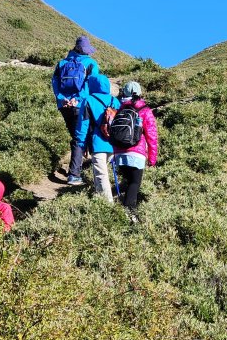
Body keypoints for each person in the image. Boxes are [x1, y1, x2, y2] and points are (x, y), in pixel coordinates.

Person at [51, 36, 100, 185]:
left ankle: (79, 169)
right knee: (84, 137)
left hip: (64, 106)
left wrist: (62, 98)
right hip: (81, 106)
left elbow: (55, 83)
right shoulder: (91, 64)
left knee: (76, 136)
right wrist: (78, 100)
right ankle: (75, 174)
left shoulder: (62, 63)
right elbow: (93, 86)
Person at [111, 81, 159, 223]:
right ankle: (129, 213)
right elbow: (151, 135)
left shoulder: (118, 108)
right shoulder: (144, 109)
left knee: (127, 180)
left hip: (119, 152)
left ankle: (122, 207)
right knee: (134, 183)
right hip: (136, 152)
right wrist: (152, 157)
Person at [74, 73, 119, 201]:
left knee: (101, 174)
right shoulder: (114, 100)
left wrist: (81, 145)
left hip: (97, 143)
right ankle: (100, 197)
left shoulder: (88, 100)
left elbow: (83, 126)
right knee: (104, 173)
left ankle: (107, 204)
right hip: (114, 143)